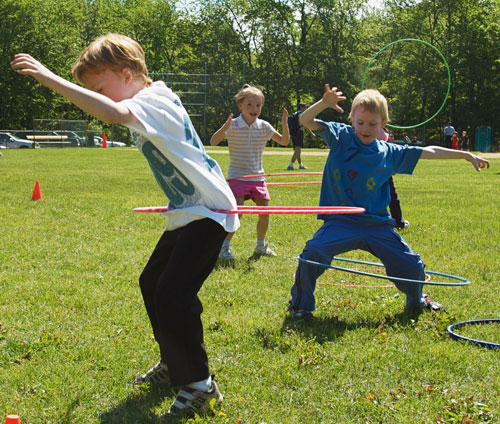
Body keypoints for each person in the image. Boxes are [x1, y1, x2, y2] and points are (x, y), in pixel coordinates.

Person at [11, 33, 240, 417]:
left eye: (101, 87)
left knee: (173, 293)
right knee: (152, 283)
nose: (101, 97)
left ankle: (200, 384)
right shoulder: (150, 100)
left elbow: (113, 113)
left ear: (128, 72)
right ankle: (174, 363)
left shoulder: (154, 100)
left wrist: (50, 78)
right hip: (189, 211)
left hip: (211, 211)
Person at [288, 84, 490, 320]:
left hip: (377, 225)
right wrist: (324, 102)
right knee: (312, 252)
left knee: (412, 265)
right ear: (351, 119)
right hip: (340, 222)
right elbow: (305, 120)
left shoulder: (390, 152)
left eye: (372, 124)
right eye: (360, 122)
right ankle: (300, 306)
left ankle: (417, 301)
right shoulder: (340, 137)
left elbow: (429, 151)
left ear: (384, 123)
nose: (365, 128)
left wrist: (466, 155)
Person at [210, 84, 289, 261]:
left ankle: (260, 246)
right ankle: (224, 247)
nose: (254, 109)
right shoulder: (233, 125)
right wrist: (224, 127)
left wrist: (285, 124)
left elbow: (284, 141)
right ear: (240, 105)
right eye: (250, 105)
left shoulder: (264, 126)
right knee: (238, 211)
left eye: (258, 105)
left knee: (265, 212)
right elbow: (213, 141)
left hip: (258, 177)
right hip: (238, 176)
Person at [380, 127, 410, 230]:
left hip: (370, 169)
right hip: (383, 169)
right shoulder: (381, 132)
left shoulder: (365, 128)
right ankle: (398, 222)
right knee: (392, 196)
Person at [287, 102, 309, 170]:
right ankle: (290, 165)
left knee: (298, 150)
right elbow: (305, 125)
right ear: (301, 107)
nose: (306, 108)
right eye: (305, 107)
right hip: (299, 133)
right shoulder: (301, 115)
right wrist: (311, 133)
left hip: (294, 133)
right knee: (297, 150)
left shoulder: (295, 114)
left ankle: (300, 165)